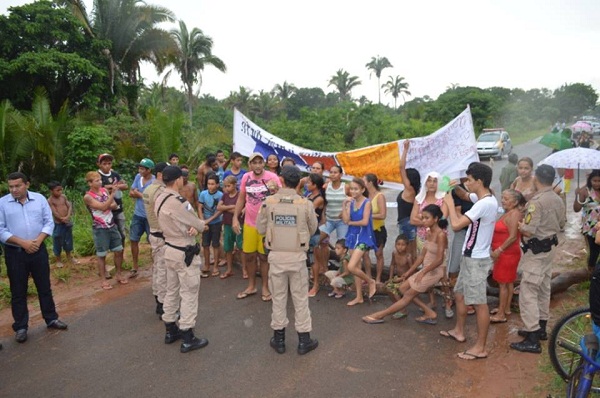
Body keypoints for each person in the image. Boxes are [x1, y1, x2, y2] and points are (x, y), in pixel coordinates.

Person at [257, 165, 319, 355]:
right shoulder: (305, 203)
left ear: (281, 180)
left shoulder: (268, 202)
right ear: (298, 181)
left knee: (278, 298)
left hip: (276, 257)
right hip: (297, 257)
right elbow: (313, 228)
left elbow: (260, 229)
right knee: (300, 299)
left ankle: (279, 340)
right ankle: (303, 341)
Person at [0, 172, 68, 343]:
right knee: (18, 290)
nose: (14, 189)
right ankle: (21, 326)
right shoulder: (2, 203)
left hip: (38, 249)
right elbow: (1, 230)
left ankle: (51, 318)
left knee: (44, 286)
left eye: (18, 185)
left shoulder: (39, 199)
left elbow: (48, 222)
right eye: (11, 186)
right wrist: (23, 243)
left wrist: (37, 241)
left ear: (27, 184)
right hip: (15, 253)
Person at [440, 162, 497, 360]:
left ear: (479, 181)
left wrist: (448, 202)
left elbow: (456, 225)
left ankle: (480, 347)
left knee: (480, 302)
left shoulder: (485, 204)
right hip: (470, 256)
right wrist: (452, 186)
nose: (467, 184)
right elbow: (465, 195)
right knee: (460, 294)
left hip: (477, 260)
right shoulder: (482, 197)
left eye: (469, 180)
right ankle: (459, 331)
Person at [362, 204, 448, 325]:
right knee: (402, 288)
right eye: (422, 217)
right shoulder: (428, 233)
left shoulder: (441, 235)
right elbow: (421, 257)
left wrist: (423, 272)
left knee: (407, 294)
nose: (423, 220)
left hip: (434, 271)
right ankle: (429, 312)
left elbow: (439, 259)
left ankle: (379, 315)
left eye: (427, 218)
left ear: (436, 219)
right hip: (425, 270)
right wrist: (408, 273)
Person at [511, 165, 565, 354]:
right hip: (549, 248)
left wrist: (520, 225)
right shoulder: (557, 199)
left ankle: (533, 337)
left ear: (536, 178)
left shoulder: (537, 202)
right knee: (543, 288)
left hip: (536, 251)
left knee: (528, 291)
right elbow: (561, 223)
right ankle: (541, 327)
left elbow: (528, 230)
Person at [155, 166, 209, 353]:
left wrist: (192, 227)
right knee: (189, 293)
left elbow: (176, 221)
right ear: (178, 180)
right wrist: (200, 225)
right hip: (184, 252)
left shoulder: (160, 197)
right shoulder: (178, 201)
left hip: (169, 249)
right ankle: (187, 335)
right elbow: (197, 223)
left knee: (172, 291)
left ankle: (170, 329)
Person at [233, 152, 281, 301]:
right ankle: (251, 285)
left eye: (260, 162)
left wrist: (275, 191)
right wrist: (235, 218)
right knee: (249, 255)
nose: (258, 165)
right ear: (250, 165)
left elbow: (280, 196)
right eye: (255, 163)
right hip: (249, 223)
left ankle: (265, 287)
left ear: (264, 164)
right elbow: (241, 198)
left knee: (264, 256)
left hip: (267, 224)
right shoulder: (246, 178)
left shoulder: (272, 178)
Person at [312, 165, 349, 297]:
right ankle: (323, 268)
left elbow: (354, 200)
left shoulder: (346, 187)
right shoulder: (326, 186)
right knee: (315, 240)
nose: (332, 175)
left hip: (341, 222)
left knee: (342, 250)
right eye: (331, 172)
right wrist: (323, 217)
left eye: (335, 173)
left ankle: (341, 283)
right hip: (329, 220)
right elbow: (325, 203)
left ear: (340, 175)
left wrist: (346, 212)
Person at [84, 171, 126, 289]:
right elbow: (104, 206)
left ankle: (118, 274)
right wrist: (112, 196)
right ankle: (103, 280)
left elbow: (113, 205)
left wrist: (108, 203)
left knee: (118, 250)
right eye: (97, 181)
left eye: (100, 180)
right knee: (102, 254)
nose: (100, 182)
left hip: (111, 224)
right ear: (90, 183)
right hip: (100, 227)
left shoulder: (104, 191)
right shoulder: (88, 196)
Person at [489, 189, 525, 324]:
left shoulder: (515, 214)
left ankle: (500, 314)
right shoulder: (508, 213)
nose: (503, 201)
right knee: (508, 281)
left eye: (506, 199)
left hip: (507, 253)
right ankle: (505, 308)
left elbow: (513, 236)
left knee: (503, 284)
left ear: (515, 202)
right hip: (506, 253)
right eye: (502, 198)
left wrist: (499, 249)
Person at [342, 177, 377, 306]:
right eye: (351, 189)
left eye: (356, 189)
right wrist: (344, 205)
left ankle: (370, 281)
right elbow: (345, 220)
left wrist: (351, 222)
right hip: (352, 236)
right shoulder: (350, 202)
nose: (353, 191)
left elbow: (365, 221)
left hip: (363, 236)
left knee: (351, 267)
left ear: (363, 189)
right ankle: (359, 296)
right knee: (356, 267)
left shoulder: (367, 202)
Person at [142, 162, 168, 316]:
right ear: (160, 174)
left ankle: (159, 300)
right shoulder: (160, 191)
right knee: (163, 271)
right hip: (161, 234)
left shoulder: (149, 189)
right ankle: (163, 304)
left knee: (158, 269)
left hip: (153, 233)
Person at [129, 158, 155, 277]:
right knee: (134, 239)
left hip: (150, 216)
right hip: (138, 214)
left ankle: (155, 264)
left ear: (149, 170)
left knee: (153, 241)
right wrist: (142, 195)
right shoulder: (137, 177)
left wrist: (138, 194)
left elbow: (150, 199)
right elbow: (130, 193)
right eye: (139, 168)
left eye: (143, 168)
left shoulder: (154, 181)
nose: (140, 170)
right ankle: (135, 265)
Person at [97, 153, 128, 247]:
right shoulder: (97, 176)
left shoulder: (115, 174)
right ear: (99, 164)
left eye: (109, 163)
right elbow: (101, 189)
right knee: (108, 233)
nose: (107, 166)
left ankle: (121, 252)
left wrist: (113, 187)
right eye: (104, 163)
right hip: (105, 210)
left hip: (118, 208)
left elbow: (125, 186)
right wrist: (114, 187)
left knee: (121, 232)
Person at [397, 140, 420, 262]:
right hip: (405, 223)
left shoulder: (410, 189)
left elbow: (401, 167)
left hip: (407, 223)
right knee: (410, 250)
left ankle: (411, 274)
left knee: (409, 252)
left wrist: (405, 150)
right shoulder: (412, 190)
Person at [573, 170, 600, 271]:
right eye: (594, 180)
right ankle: (591, 272)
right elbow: (576, 209)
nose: (597, 183)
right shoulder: (585, 191)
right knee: (594, 250)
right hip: (590, 227)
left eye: (599, 181)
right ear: (590, 180)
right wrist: (576, 196)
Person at [217, 175, 243, 279]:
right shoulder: (225, 195)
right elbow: (219, 207)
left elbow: (240, 210)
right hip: (227, 223)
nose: (226, 188)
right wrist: (233, 207)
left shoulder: (240, 195)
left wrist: (226, 208)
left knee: (241, 246)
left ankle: (244, 269)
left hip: (239, 223)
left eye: (228, 186)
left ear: (234, 185)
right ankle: (229, 269)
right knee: (228, 247)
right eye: (225, 186)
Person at [198, 173, 223, 278]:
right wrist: (202, 221)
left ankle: (216, 265)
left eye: (212, 184)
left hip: (216, 222)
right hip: (205, 222)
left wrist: (208, 221)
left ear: (217, 185)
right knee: (205, 244)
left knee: (216, 244)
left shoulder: (220, 195)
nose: (210, 186)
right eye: (208, 184)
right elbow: (200, 207)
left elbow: (219, 211)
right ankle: (207, 264)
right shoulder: (203, 194)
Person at [47, 181, 77, 268]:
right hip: (58, 224)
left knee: (68, 240)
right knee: (57, 241)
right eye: (57, 190)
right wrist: (61, 219)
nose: (60, 192)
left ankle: (69, 257)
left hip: (67, 222)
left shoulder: (63, 197)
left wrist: (67, 216)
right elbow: (54, 212)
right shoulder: (50, 200)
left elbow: (69, 206)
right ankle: (58, 260)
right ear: (51, 191)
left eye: (61, 190)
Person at [363, 173, 387, 283]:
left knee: (378, 254)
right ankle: (368, 277)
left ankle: (378, 278)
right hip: (366, 229)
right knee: (364, 253)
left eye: (364, 181)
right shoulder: (364, 196)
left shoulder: (379, 196)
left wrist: (368, 216)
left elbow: (383, 214)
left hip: (378, 229)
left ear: (370, 183)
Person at [305, 173, 326, 297]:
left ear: (315, 185)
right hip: (305, 231)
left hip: (313, 232)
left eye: (309, 182)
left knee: (313, 259)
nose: (306, 184)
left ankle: (316, 285)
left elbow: (306, 211)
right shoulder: (309, 195)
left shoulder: (319, 198)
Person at [384, 234, 413, 319]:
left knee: (394, 290)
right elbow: (392, 265)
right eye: (398, 244)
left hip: (406, 279)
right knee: (387, 287)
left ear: (407, 246)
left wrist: (402, 279)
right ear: (395, 245)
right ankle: (397, 306)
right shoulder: (394, 253)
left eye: (403, 245)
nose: (400, 247)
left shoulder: (408, 257)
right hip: (397, 277)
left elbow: (412, 270)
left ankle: (403, 309)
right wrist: (390, 278)